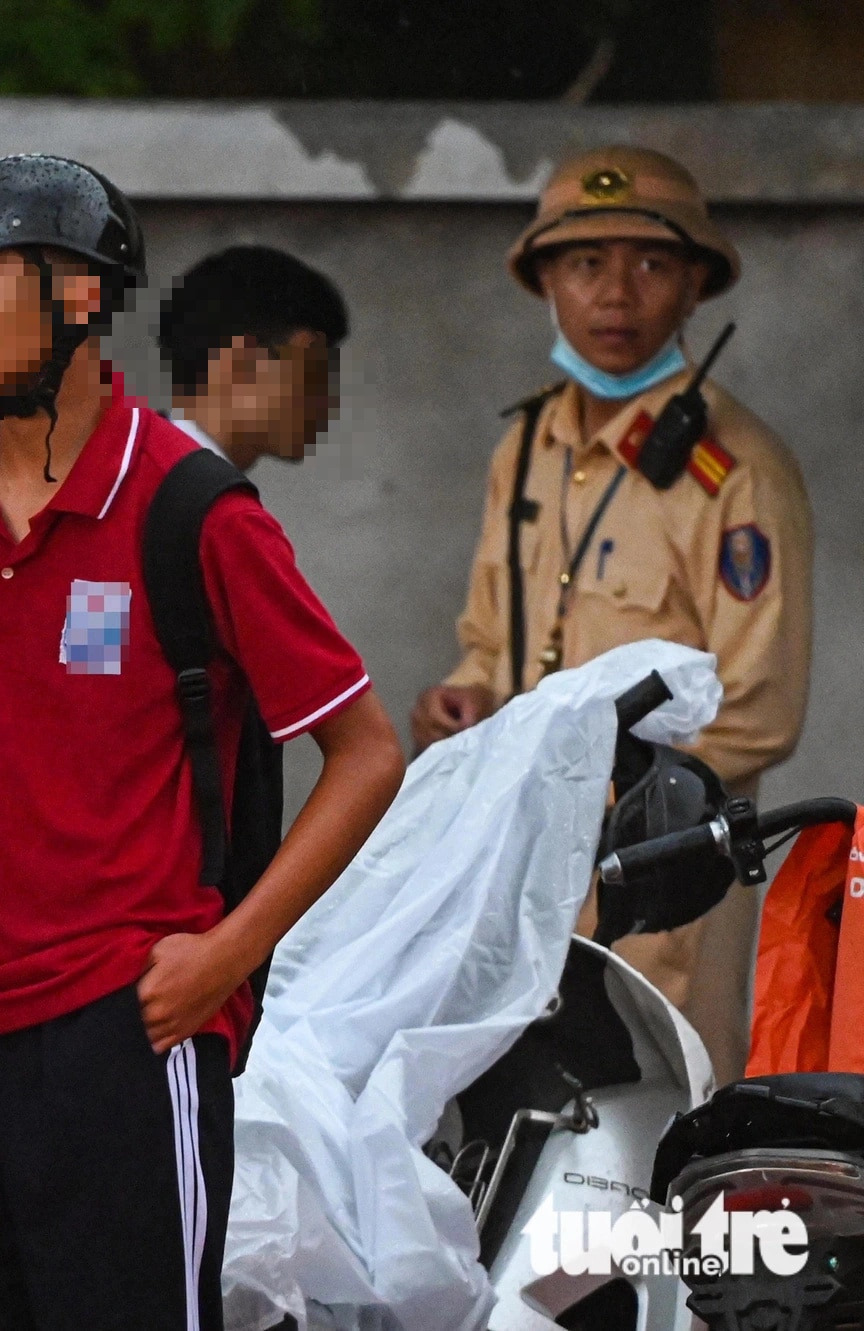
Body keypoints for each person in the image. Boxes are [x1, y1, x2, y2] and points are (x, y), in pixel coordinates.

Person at [0, 155, 406, 1331]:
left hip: (119, 1032)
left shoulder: (193, 509)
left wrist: (227, 953)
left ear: (80, 296)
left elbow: (364, 750)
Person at [411, 145, 812, 1083]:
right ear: (546, 281)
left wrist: (610, 800)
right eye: (586, 264)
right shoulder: (529, 446)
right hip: (520, 867)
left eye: (652, 264)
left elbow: (758, 708)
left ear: (694, 287)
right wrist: (464, 699)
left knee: (658, 1136)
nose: (616, 295)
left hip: (662, 879)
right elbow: (490, 641)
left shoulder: (737, 468)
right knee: (521, 1133)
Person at [156, 244, 348, 471]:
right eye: (312, 372)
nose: (327, 403)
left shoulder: (183, 480)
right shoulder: (141, 487)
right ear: (242, 359)